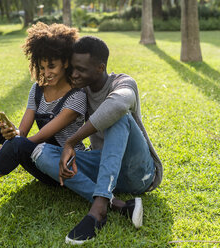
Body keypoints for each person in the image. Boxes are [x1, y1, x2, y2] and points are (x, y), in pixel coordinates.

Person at [0, 22, 87, 215]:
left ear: (66, 62)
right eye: (42, 67)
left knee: (18, 144)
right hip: (37, 154)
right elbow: (23, 133)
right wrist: (11, 132)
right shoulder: (37, 89)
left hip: (60, 168)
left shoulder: (77, 96)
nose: (46, 73)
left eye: (51, 66)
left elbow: (36, 139)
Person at [31, 36, 163, 244]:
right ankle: (117, 204)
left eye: (81, 70)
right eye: (72, 68)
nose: (74, 74)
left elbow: (118, 106)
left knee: (119, 117)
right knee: (41, 152)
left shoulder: (123, 82)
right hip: (104, 167)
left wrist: (71, 142)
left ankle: (99, 206)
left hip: (138, 172)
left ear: (100, 67)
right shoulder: (79, 92)